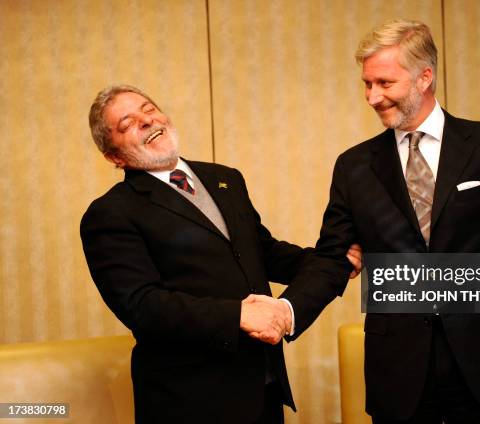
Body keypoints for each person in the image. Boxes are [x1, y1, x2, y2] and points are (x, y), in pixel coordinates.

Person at [281, 20, 480, 423]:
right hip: (398, 371)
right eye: (367, 84)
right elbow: (331, 257)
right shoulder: (353, 166)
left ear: (424, 77)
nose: (372, 97)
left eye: (384, 83)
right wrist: (287, 310)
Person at [80, 85, 361, 423]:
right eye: (127, 123)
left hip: (263, 386)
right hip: (189, 400)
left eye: (148, 108)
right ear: (115, 157)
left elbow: (262, 253)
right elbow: (142, 306)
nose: (146, 120)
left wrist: (334, 259)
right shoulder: (111, 213)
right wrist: (237, 315)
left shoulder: (224, 178)